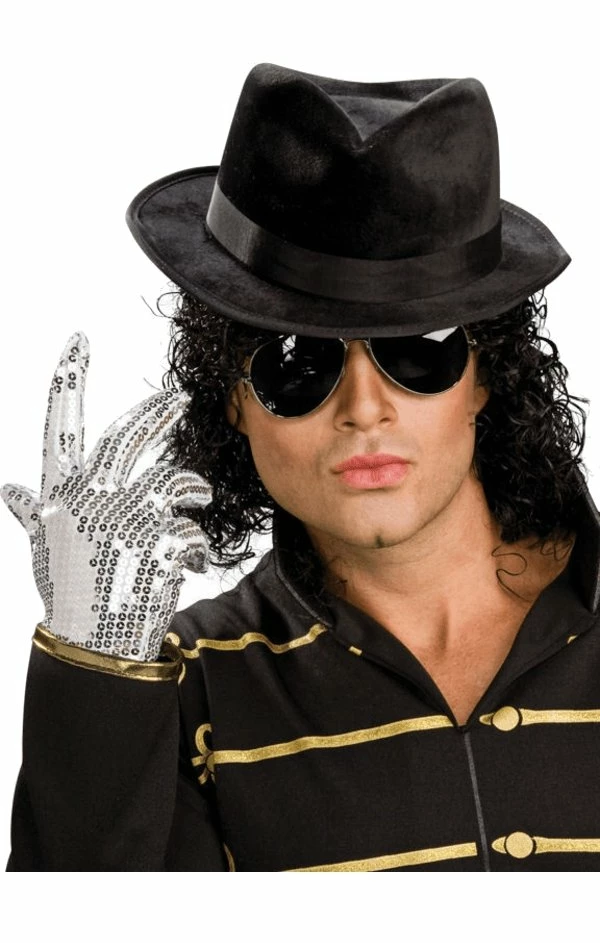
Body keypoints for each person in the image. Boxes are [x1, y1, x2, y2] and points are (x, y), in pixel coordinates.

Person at [3, 63, 599, 872]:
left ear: (485, 371)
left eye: (415, 350)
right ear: (231, 397)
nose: (363, 406)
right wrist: (96, 675)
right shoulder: (190, 692)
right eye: (296, 362)